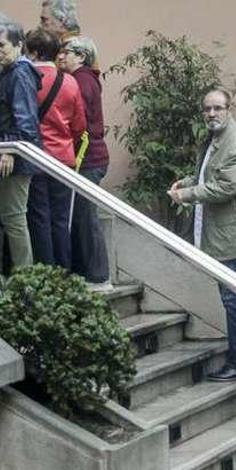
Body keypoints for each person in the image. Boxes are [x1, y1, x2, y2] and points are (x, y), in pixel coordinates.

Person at [168, 88, 236, 382]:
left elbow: (224, 188)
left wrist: (185, 194)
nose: (211, 114)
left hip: (232, 235)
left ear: (229, 109)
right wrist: (187, 181)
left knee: (235, 300)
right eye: (207, 109)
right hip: (225, 232)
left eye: (217, 108)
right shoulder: (215, 139)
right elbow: (208, 175)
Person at [24, 28, 85, 270]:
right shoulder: (70, 81)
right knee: (61, 219)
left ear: (35, 52)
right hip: (64, 158)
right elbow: (80, 125)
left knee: (39, 217)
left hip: (36, 157)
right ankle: (64, 270)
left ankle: (47, 272)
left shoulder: (25, 77)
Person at [59, 35, 110, 289]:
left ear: (81, 56)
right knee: (82, 215)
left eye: (67, 52)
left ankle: (98, 275)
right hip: (91, 157)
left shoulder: (81, 81)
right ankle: (89, 272)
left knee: (85, 215)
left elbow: (79, 123)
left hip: (88, 158)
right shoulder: (87, 80)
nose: (61, 56)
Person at [0, 18, 41, 271]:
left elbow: (26, 124)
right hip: (7, 153)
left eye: (2, 45)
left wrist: (9, 150)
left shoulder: (21, 73)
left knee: (14, 218)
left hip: (14, 157)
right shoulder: (7, 71)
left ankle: (26, 281)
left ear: (19, 45)